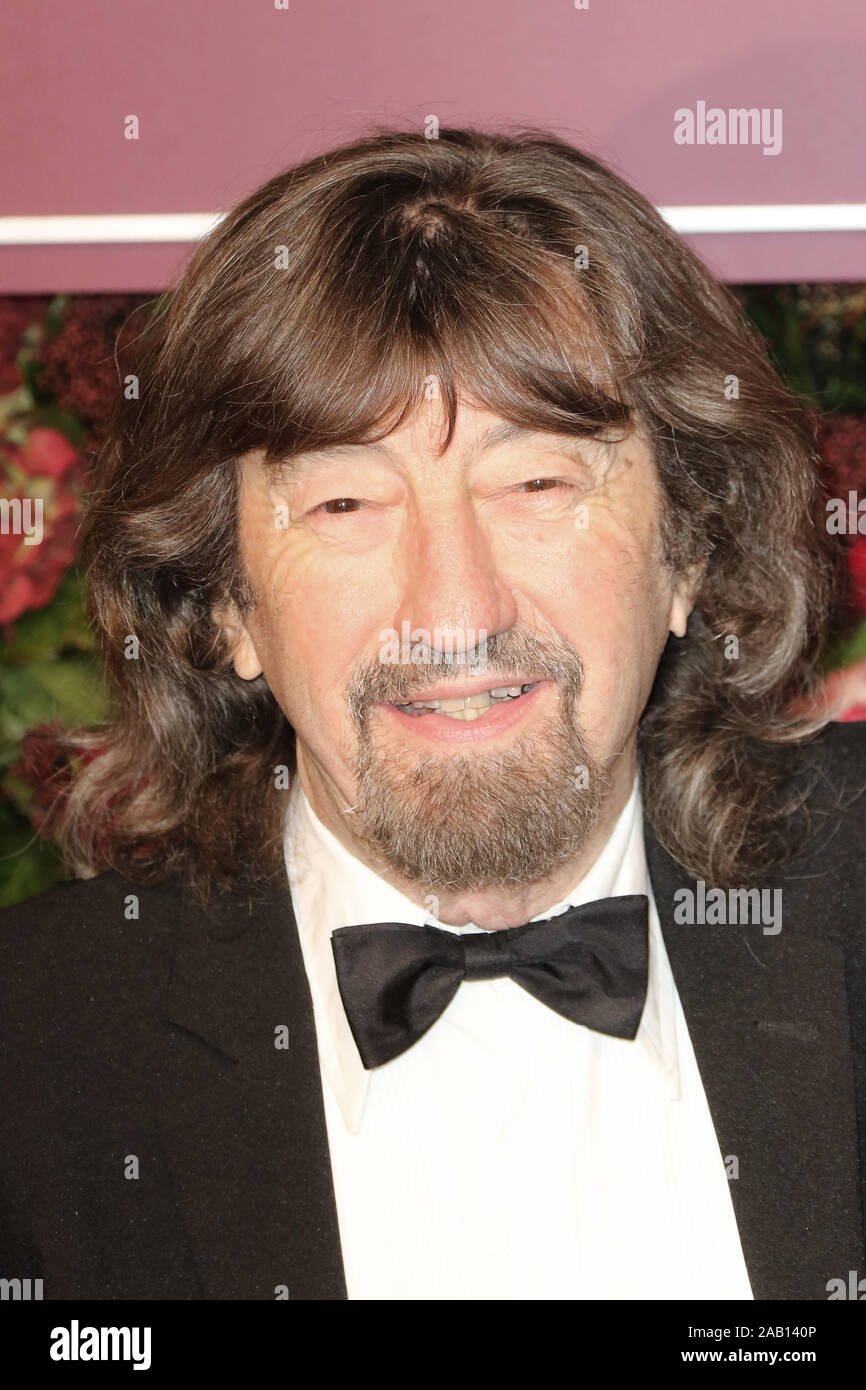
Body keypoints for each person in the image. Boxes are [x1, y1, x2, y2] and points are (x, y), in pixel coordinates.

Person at [1, 127, 864, 1302]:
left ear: (686, 552)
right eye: (346, 500)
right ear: (223, 607)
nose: (450, 608)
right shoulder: (34, 1055)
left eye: (536, 482)